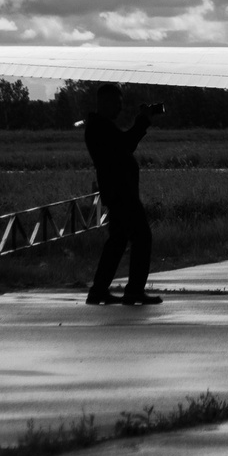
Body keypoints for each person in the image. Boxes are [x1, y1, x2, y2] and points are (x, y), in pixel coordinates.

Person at [83, 83, 161, 306]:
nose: (119, 108)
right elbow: (126, 145)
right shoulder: (99, 127)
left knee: (117, 240)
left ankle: (99, 290)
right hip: (121, 193)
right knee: (142, 237)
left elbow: (122, 146)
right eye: (116, 103)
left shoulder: (100, 126)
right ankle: (134, 290)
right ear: (105, 102)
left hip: (117, 191)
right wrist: (143, 122)